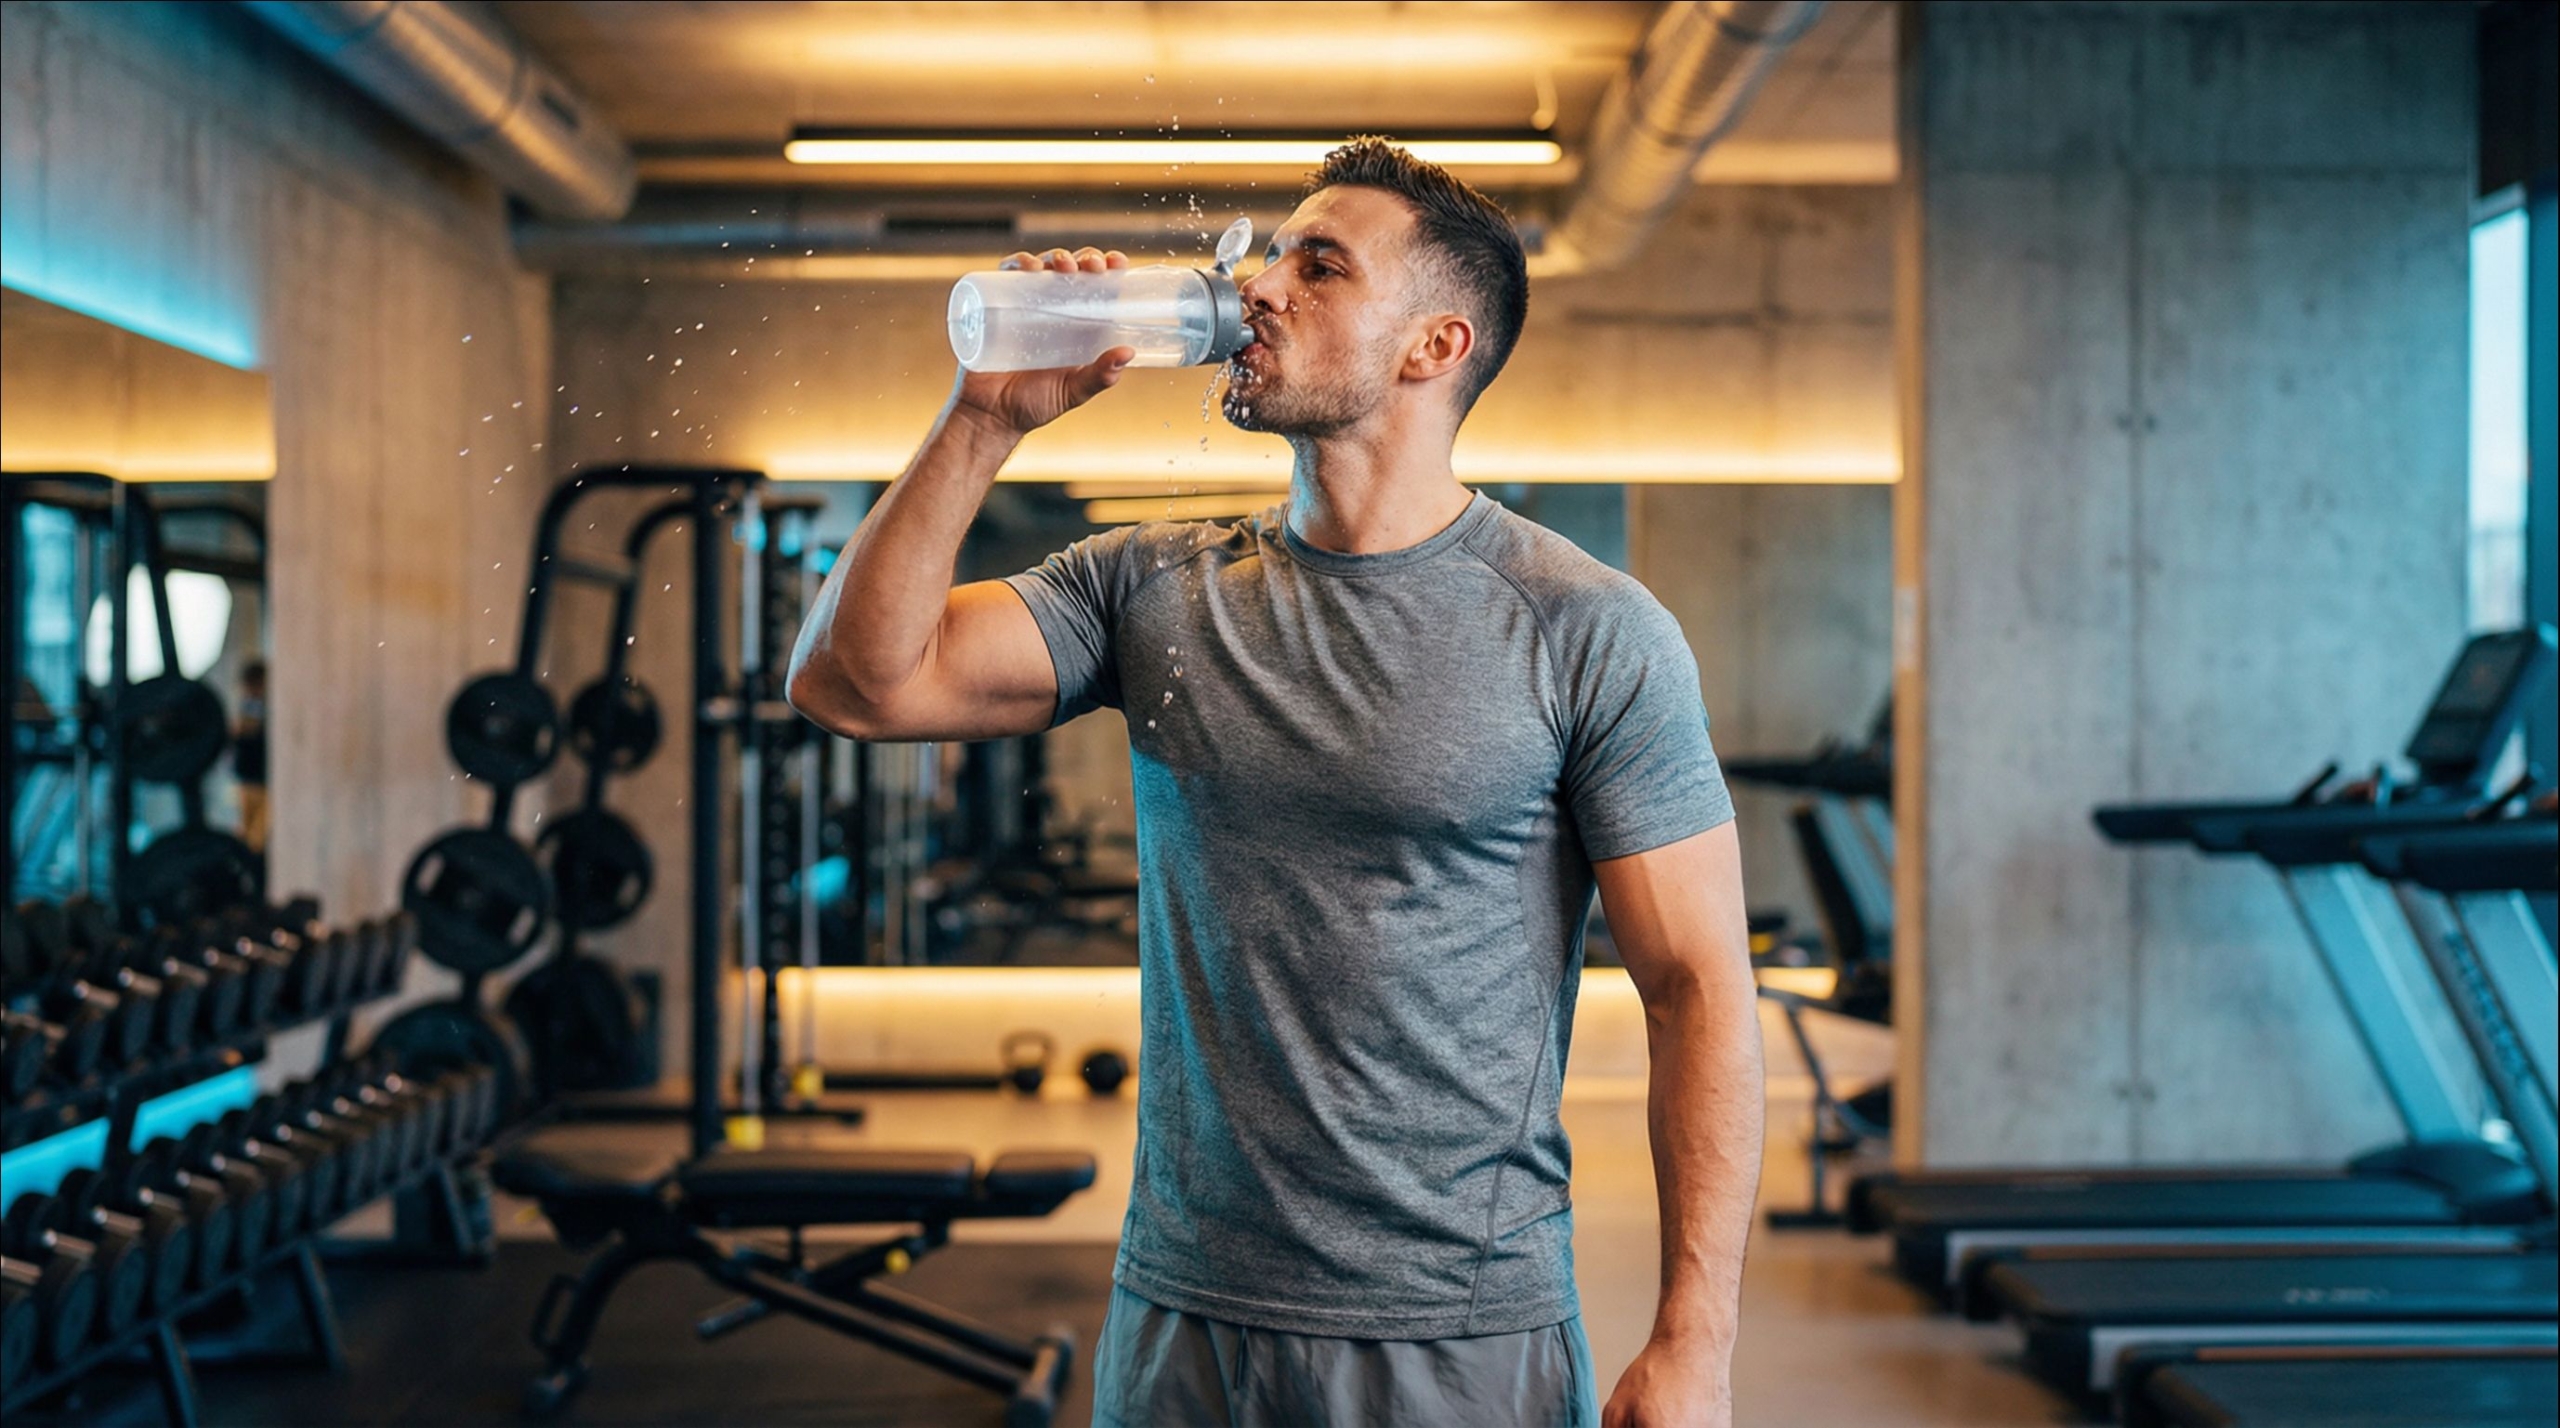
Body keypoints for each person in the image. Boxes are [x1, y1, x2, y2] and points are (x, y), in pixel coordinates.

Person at [789, 138, 1762, 1428]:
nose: (1259, 288)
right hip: (1181, 1314)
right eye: (1273, 253)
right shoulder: (1149, 586)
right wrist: (981, 421)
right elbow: (858, 684)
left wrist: (1695, 1339)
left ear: (1433, 346)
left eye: (1320, 266)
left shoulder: (1581, 627)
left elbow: (1695, 989)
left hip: (1452, 1327)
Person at [234, 659, 269, 854]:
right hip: (251, 778)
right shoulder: (250, 707)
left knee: (255, 838)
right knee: (251, 836)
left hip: (259, 779)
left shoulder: (258, 707)